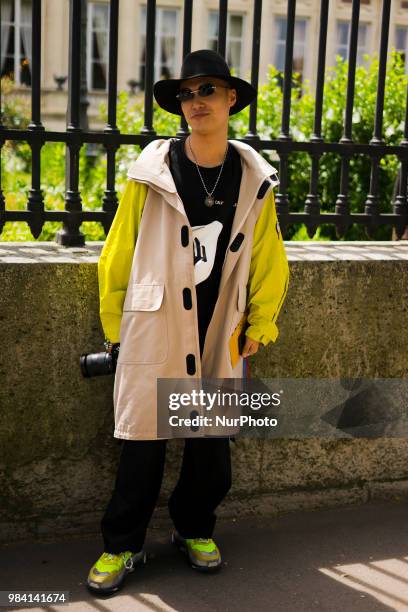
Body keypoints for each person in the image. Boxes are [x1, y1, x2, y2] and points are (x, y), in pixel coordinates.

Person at [86, 49, 290, 595]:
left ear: (230, 100)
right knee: (142, 442)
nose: (195, 101)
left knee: (211, 447)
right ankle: (121, 544)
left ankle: (194, 528)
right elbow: (118, 250)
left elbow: (270, 256)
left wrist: (261, 323)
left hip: (220, 322)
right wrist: (116, 326)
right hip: (155, 323)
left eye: (207, 91)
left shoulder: (252, 177)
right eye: (186, 93)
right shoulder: (151, 170)